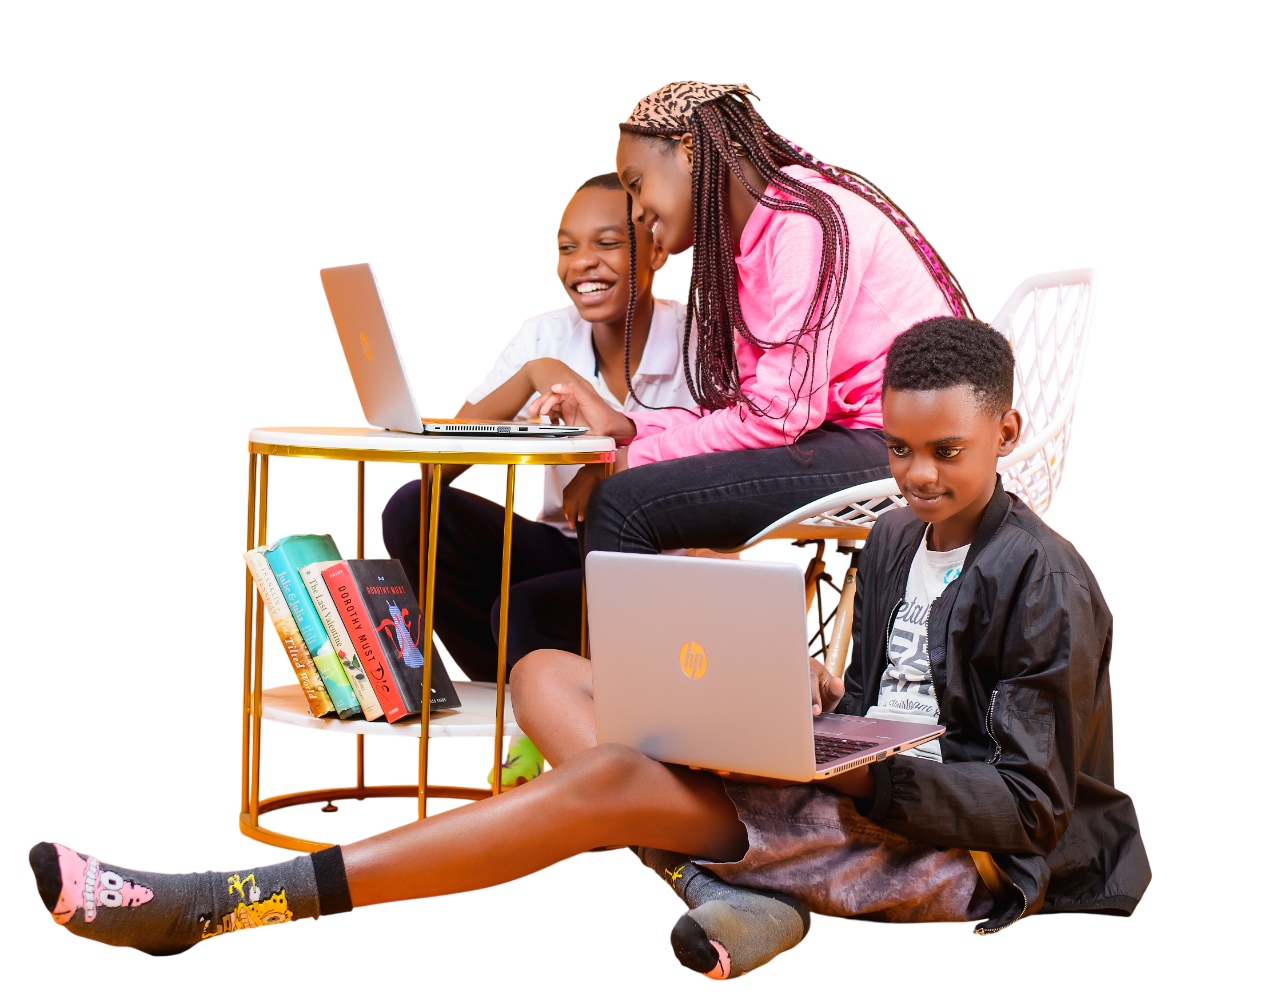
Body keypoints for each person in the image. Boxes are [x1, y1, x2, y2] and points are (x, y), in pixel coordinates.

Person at [28, 318, 1149, 977]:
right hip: (852, 787)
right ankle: (713, 877)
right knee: (544, 674)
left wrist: (854, 772)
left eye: (945, 451)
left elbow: (1031, 808)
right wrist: (811, 696)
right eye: (899, 450)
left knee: (607, 779)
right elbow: (884, 695)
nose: (915, 476)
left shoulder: (1046, 582)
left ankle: (227, 901)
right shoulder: (900, 536)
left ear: (1007, 432)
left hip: (954, 851)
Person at [531, 80, 973, 561]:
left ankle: (624, 617)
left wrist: (631, 459)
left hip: (909, 447)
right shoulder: (750, 247)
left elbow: (780, 416)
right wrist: (628, 428)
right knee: (622, 495)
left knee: (620, 503)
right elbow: (749, 409)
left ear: (691, 151)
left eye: (636, 185)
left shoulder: (804, 222)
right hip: (852, 435)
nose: (637, 212)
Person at [379, 171, 696, 784]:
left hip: (656, 565)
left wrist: (610, 468)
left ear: (656, 251)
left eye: (607, 243)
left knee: (523, 608)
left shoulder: (697, 340)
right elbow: (443, 460)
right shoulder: (545, 334)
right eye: (566, 247)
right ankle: (521, 715)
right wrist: (535, 374)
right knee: (414, 507)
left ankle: (549, 746)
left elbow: (727, 455)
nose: (582, 264)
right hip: (562, 544)